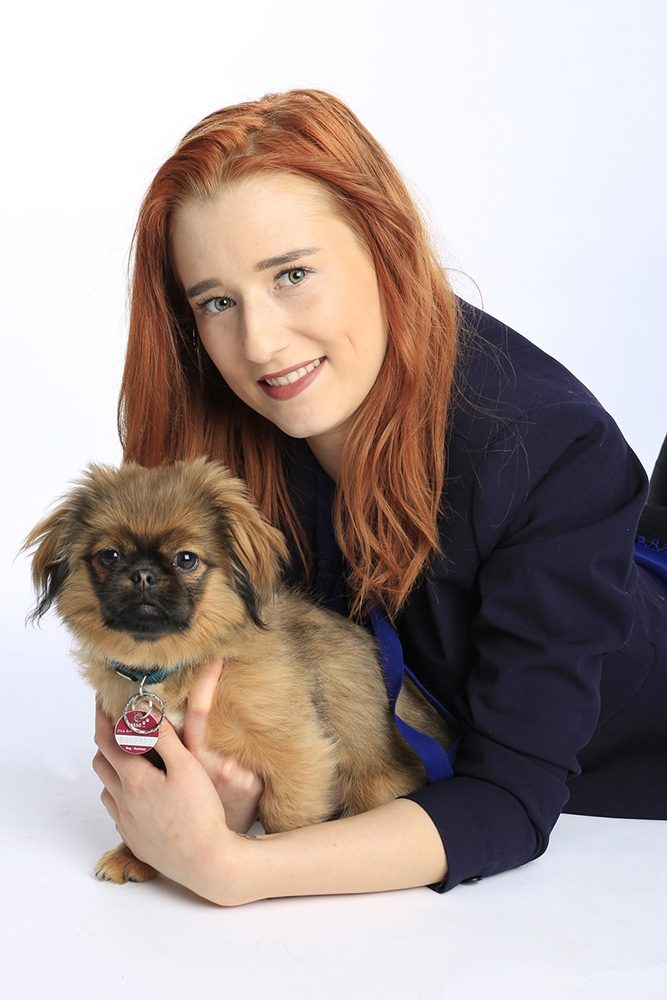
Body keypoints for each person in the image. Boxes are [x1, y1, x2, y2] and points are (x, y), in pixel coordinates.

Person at [92, 89, 667, 906]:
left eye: (292, 275)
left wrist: (233, 868)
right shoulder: (216, 441)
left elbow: (507, 801)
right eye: (216, 301)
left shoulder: (548, 448)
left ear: (383, 245)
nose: (260, 342)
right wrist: (215, 770)